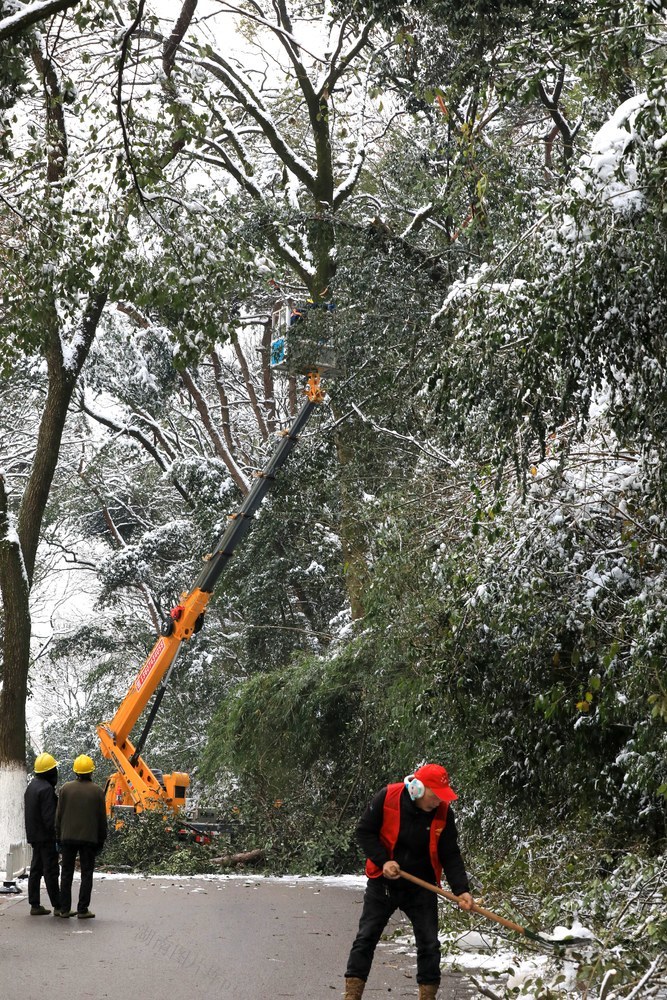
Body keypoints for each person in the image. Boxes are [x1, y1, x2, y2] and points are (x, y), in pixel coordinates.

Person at [343, 763, 474, 1000]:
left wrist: (461, 890)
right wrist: (384, 861)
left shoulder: (443, 812)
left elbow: (450, 853)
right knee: (366, 938)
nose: (439, 802)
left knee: (429, 945)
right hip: (383, 883)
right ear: (417, 788)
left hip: (422, 886)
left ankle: (427, 997)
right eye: (435, 796)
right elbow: (364, 831)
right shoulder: (388, 797)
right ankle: (352, 995)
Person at [56, 754, 107, 919]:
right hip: (89, 839)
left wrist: (58, 838)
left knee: (66, 873)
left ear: (75, 771)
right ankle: (83, 909)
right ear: (91, 772)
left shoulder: (65, 788)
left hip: (67, 837)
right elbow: (101, 819)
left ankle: (64, 909)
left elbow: (59, 816)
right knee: (86, 873)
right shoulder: (98, 791)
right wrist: (101, 841)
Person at [24, 752, 63, 916]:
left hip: (34, 836)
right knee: (51, 871)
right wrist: (57, 836)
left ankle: (34, 904)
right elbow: (49, 818)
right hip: (46, 837)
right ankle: (58, 906)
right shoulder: (46, 789)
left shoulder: (32, 786)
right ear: (49, 772)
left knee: (35, 870)